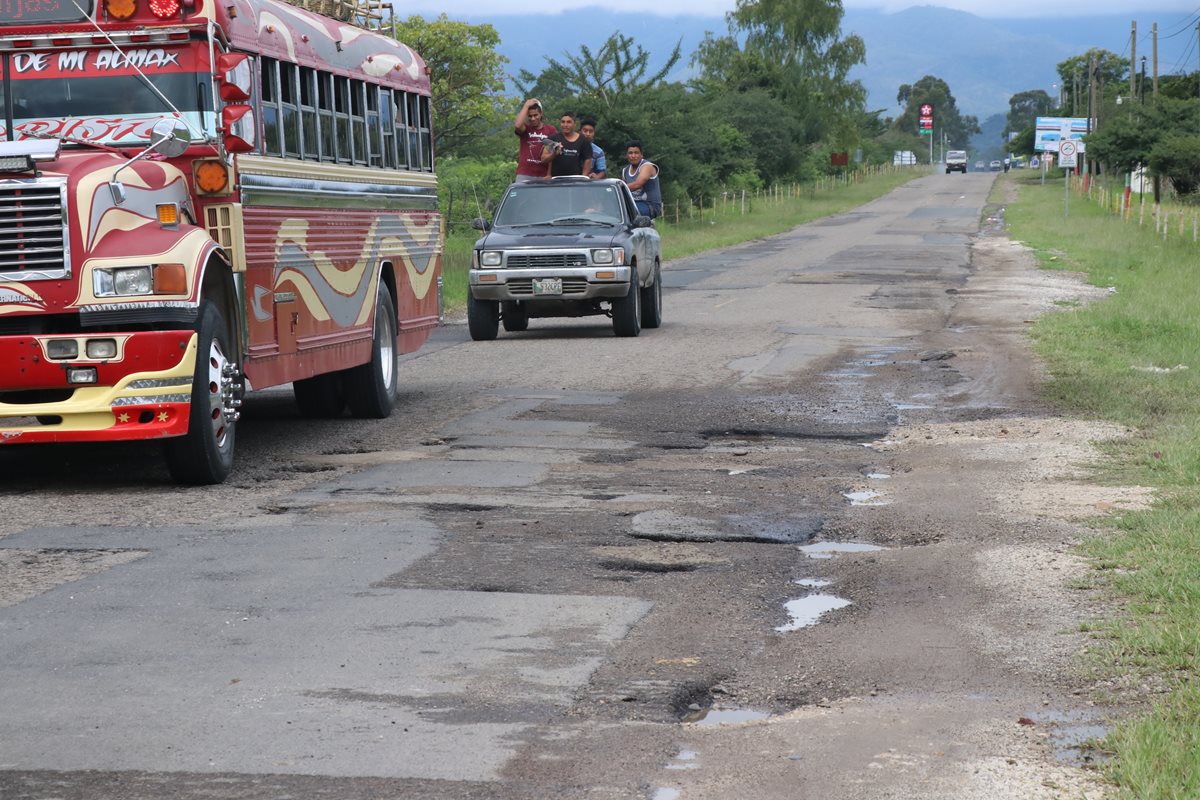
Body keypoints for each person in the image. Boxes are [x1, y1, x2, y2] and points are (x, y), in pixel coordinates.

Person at [514, 98, 556, 181]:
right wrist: (526, 106)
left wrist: (549, 174)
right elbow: (518, 125)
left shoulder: (550, 130)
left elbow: (552, 153)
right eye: (530, 116)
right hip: (524, 173)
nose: (533, 118)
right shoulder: (526, 129)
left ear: (541, 114)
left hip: (543, 174)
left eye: (535, 115)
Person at [542, 112, 592, 177]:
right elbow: (543, 159)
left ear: (574, 124)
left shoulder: (583, 140)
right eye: (563, 122)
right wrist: (554, 153)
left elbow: (588, 159)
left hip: (575, 180)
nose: (565, 125)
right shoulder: (552, 138)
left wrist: (584, 177)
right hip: (556, 180)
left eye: (569, 122)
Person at [621, 141, 661, 218]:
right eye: (630, 153)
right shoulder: (625, 171)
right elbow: (623, 193)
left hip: (649, 205)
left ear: (641, 155)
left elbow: (637, 184)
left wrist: (617, 188)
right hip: (632, 203)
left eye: (636, 153)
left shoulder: (647, 166)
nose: (633, 156)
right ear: (627, 155)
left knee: (627, 213)